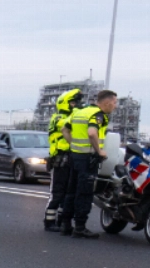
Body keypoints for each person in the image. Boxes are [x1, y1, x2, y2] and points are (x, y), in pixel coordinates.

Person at [58, 90, 116, 238]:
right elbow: (91, 133)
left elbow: (64, 129)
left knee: (71, 190)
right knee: (84, 193)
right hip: (87, 159)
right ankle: (80, 227)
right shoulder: (98, 115)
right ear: (107, 102)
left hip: (75, 156)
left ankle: (65, 224)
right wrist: (99, 151)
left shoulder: (79, 111)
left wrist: (74, 145)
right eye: (114, 103)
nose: (115, 106)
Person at [44, 88, 81, 230]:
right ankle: (49, 222)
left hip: (70, 159)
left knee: (67, 193)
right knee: (57, 192)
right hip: (60, 159)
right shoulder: (59, 118)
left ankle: (61, 220)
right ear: (64, 103)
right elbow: (71, 124)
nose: (76, 105)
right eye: (73, 103)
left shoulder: (68, 117)